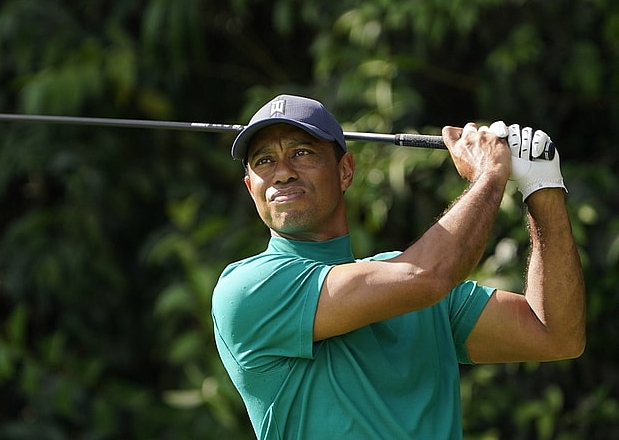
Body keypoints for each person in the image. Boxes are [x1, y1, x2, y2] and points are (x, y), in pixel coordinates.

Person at [211, 94, 585, 439]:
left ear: (345, 171)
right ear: (250, 186)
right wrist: (490, 174)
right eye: (264, 161)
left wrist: (542, 185)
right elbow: (428, 276)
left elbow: (555, 335)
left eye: (301, 152)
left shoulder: (406, 282)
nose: (282, 172)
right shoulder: (247, 288)